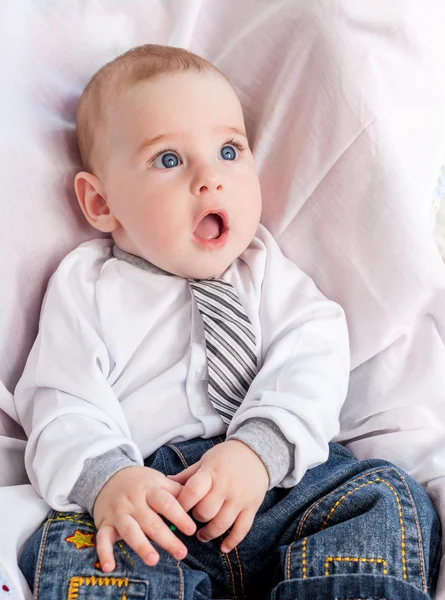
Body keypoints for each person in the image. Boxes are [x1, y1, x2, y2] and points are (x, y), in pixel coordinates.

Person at [15, 44, 440, 599]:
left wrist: (258, 449)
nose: (210, 179)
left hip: (283, 488)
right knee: (82, 549)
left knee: (384, 494)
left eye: (229, 151)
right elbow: (59, 398)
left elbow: (314, 356)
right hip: (152, 502)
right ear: (101, 203)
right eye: (169, 160)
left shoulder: (265, 271)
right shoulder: (88, 285)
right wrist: (109, 480)